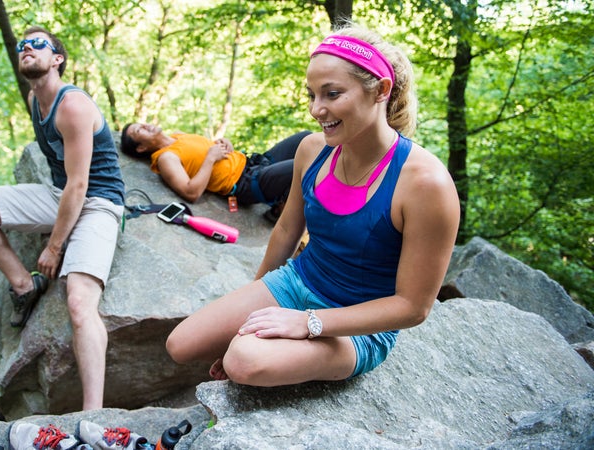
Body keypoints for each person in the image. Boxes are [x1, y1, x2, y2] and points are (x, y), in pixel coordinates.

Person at [166, 24, 460, 386]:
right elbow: (288, 229)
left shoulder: (426, 184)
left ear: (381, 90)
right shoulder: (312, 150)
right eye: (312, 95)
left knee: (243, 360)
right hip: (298, 281)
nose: (316, 110)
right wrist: (254, 317)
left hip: (359, 325)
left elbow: (413, 307)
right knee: (180, 344)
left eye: (332, 94)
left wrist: (307, 323)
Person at [0, 25, 125, 411]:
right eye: (21, 46)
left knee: (79, 304)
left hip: (97, 202)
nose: (26, 48)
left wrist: (54, 246)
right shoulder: (34, 100)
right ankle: (23, 284)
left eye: (37, 44)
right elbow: (65, 186)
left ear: (57, 58)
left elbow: (80, 186)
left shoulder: (73, 105)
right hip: (58, 197)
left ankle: (92, 414)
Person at [121, 123, 312, 222]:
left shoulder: (178, 135)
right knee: (306, 164)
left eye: (142, 123)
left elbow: (207, 150)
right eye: (140, 130)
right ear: (140, 148)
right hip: (248, 183)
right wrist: (211, 157)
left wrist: (223, 143)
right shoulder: (166, 158)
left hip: (254, 162)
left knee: (307, 139)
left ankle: (283, 197)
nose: (146, 125)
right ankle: (279, 209)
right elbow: (191, 193)